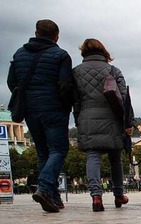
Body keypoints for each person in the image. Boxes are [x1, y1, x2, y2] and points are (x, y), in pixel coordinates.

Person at [7, 19, 74, 213]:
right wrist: (66, 106)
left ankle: (52, 196)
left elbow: (12, 82)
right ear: (56, 36)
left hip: (30, 110)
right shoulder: (60, 55)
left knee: (43, 152)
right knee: (59, 150)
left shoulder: (19, 54)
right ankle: (44, 187)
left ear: (36, 33)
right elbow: (65, 85)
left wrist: (27, 97)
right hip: (53, 108)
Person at [73, 38, 133, 212]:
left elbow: (74, 100)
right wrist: (128, 123)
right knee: (115, 159)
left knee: (93, 157)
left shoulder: (76, 72)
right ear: (104, 52)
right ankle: (119, 195)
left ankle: (96, 196)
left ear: (84, 52)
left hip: (86, 116)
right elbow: (124, 99)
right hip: (112, 118)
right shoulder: (113, 70)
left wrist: (78, 119)